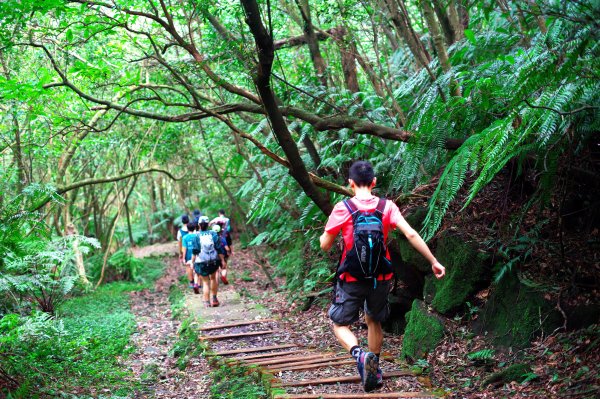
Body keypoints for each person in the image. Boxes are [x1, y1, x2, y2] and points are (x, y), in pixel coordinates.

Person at [319, 161, 446, 392]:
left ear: (350, 183)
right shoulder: (387, 207)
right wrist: (434, 261)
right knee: (373, 319)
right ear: (374, 182)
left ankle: (359, 355)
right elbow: (410, 233)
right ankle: (374, 368)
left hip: (351, 278)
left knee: (339, 324)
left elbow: (325, 245)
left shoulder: (343, 208)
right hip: (381, 277)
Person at [194, 216, 223, 307]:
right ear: (208, 224)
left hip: (202, 261)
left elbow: (195, 251)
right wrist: (222, 260)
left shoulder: (196, 235)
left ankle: (206, 302)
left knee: (205, 282)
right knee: (213, 278)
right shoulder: (213, 234)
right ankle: (214, 299)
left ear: (199, 224)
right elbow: (218, 248)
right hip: (213, 261)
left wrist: (192, 261)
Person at [181, 221, 201, 294]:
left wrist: (183, 258)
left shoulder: (185, 237)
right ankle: (198, 284)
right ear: (195, 228)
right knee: (197, 269)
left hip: (188, 255)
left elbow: (184, 248)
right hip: (197, 255)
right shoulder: (197, 236)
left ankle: (192, 282)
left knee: (189, 268)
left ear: (187, 228)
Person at [177, 215, 195, 289]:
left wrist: (180, 253)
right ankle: (198, 281)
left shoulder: (180, 232)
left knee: (188, 266)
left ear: (182, 221)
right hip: (194, 250)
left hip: (186, 251)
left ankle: (191, 282)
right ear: (188, 220)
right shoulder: (193, 228)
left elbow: (179, 243)